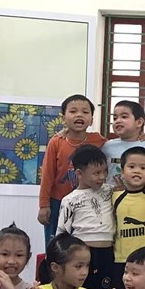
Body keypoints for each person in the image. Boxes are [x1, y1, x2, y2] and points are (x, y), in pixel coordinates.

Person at [37, 94, 106, 246]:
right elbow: (47, 175)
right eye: (73, 111)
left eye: (85, 112)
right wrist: (44, 205)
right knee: (56, 245)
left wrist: (141, 137)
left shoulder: (99, 141)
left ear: (91, 120)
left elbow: (121, 146)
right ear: (63, 118)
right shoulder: (56, 142)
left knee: (81, 245)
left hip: (87, 202)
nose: (79, 115)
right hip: (58, 202)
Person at [56, 144, 115, 289]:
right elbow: (62, 233)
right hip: (82, 254)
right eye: (96, 173)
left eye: (105, 171)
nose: (102, 177)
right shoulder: (70, 200)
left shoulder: (111, 191)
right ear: (79, 173)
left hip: (107, 253)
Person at [111, 146, 145, 289]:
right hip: (121, 259)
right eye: (131, 167)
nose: (137, 171)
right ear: (122, 170)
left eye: (143, 168)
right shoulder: (115, 195)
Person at [103, 100, 145, 189]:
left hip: (139, 196)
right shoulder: (107, 146)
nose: (118, 121)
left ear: (139, 122)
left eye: (124, 117)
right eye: (115, 118)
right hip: (110, 195)